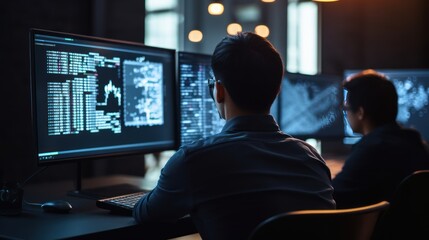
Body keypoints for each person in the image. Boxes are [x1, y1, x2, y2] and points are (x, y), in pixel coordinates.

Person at [133, 32, 336, 240]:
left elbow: (146, 213)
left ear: (219, 91)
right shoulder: (311, 158)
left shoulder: (194, 160)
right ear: (277, 90)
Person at [333, 69, 429, 209]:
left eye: (346, 108)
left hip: (379, 230)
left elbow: (331, 197)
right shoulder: (416, 143)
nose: (345, 114)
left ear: (360, 113)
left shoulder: (370, 151)